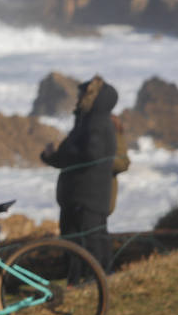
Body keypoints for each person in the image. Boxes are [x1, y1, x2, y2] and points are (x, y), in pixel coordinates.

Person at [40, 75, 120, 277]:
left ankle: (96, 283)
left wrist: (64, 153)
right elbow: (70, 156)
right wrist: (51, 156)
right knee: (75, 243)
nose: (78, 99)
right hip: (77, 198)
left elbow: (91, 155)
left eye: (82, 94)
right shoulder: (84, 123)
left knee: (91, 242)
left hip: (88, 198)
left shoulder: (97, 123)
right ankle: (78, 283)